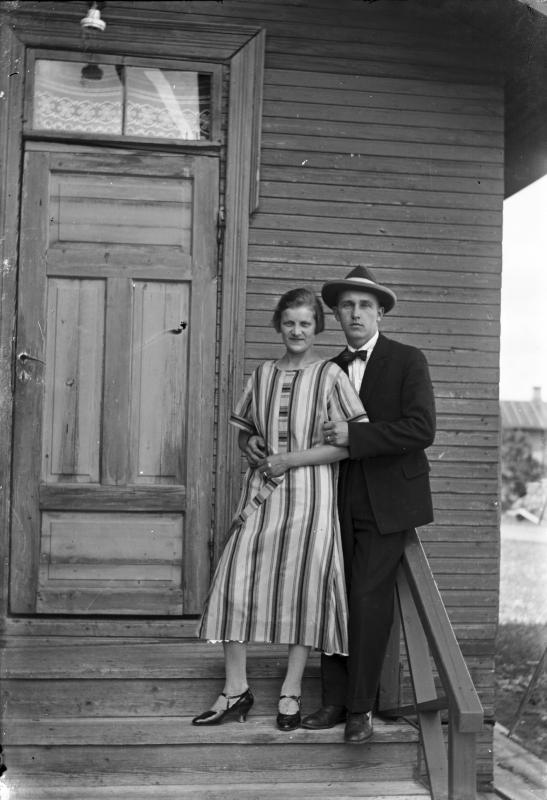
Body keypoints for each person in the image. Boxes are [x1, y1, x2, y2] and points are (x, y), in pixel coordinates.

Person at [193, 287, 368, 731]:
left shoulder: (330, 376)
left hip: (310, 497)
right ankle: (236, 688)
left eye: (305, 323)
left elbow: (348, 446)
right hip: (263, 492)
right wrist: (248, 442)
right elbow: (246, 432)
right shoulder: (263, 374)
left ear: (317, 328)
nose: (297, 331)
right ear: (278, 325)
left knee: (303, 587)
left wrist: (290, 459)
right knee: (233, 580)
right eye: (289, 322)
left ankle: (291, 691)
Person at [301, 265, 436, 744]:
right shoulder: (325, 369)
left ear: (380, 313)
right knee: (333, 595)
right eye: (346, 306)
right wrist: (255, 440)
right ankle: (334, 702)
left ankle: (361, 708)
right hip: (334, 495)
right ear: (337, 315)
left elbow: (421, 429)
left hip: (389, 501)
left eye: (364, 305)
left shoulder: (407, 360)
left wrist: (356, 436)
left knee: (365, 598)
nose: (355, 313)